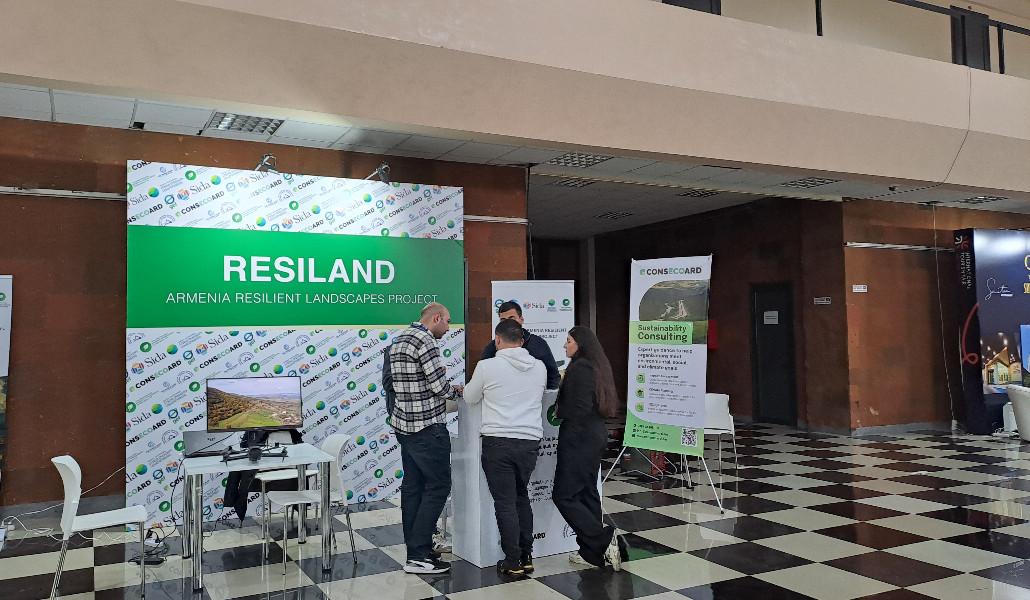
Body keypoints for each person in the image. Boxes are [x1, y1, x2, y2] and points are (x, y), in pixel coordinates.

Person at [463, 319, 546, 576]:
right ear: (521, 341)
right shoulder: (540, 366)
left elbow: (469, 397)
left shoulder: (487, 366)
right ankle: (527, 556)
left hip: (498, 442)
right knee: (521, 496)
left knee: (505, 503)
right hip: (529, 441)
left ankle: (513, 561)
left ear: (497, 340)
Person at [389, 303, 463, 575]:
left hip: (405, 426)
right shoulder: (426, 341)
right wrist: (457, 391)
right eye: (448, 321)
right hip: (427, 427)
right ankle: (420, 553)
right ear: (436, 318)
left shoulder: (400, 339)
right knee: (438, 486)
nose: (449, 327)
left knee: (413, 488)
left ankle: (415, 551)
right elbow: (439, 387)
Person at [551, 326, 623, 571]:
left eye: (569, 341)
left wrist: (560, 407)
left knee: (563, 495)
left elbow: (578, 407)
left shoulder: (580, 368)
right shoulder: (596, 366)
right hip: (592, 435)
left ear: (580, 344)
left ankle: (603, 539)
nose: (565, 345)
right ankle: (591, 553)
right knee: (586, 492)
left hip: (579, 437)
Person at [481, 301, 560, 390]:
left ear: (521, 319)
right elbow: (483, 378)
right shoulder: (492, 347)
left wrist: (546, 397)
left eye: (512, 318)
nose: (508, 323)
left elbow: (553, 376)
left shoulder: (538, 344)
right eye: (503, 320)